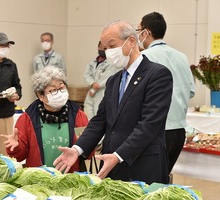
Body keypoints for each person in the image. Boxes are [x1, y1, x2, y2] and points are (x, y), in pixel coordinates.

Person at [53, 20, 173, 184]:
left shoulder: (157, 74)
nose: (108, 52)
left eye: (112, 45)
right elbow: (100, 120)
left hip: (142, 163)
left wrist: (119, 155)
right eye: (105, 47)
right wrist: (77, 149)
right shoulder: (113, 80)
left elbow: (149, 124)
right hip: (111, 164)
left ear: (131, 41)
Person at [138, 12, 195, 174]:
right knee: (163, 178)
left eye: (139, 30)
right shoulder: (182, 57)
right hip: (178, 131)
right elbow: (190, 91)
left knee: (148, 181)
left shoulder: (144, 57)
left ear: (146, 32)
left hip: (154, 130)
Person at [2, 66, 89, 171]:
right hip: (38, 180)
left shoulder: (79, 116)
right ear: (40, 96)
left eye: (62, 88)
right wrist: (16, 147)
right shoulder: (27, 119)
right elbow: (19, 157)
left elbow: (87, 155)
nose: (59, 93)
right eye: (53, 90)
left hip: (71, 180)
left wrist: (85, 146)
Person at [83, 41, 118, 120]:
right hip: (91, 92)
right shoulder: (92, 62)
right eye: (101, 47)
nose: (102, 49)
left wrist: (96, 87)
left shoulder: (112, 63)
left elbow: (107, 78)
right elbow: (87, 74)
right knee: (87, 113)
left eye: (105, 48)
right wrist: (92, 83)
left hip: (102, 92)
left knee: (98, 114)